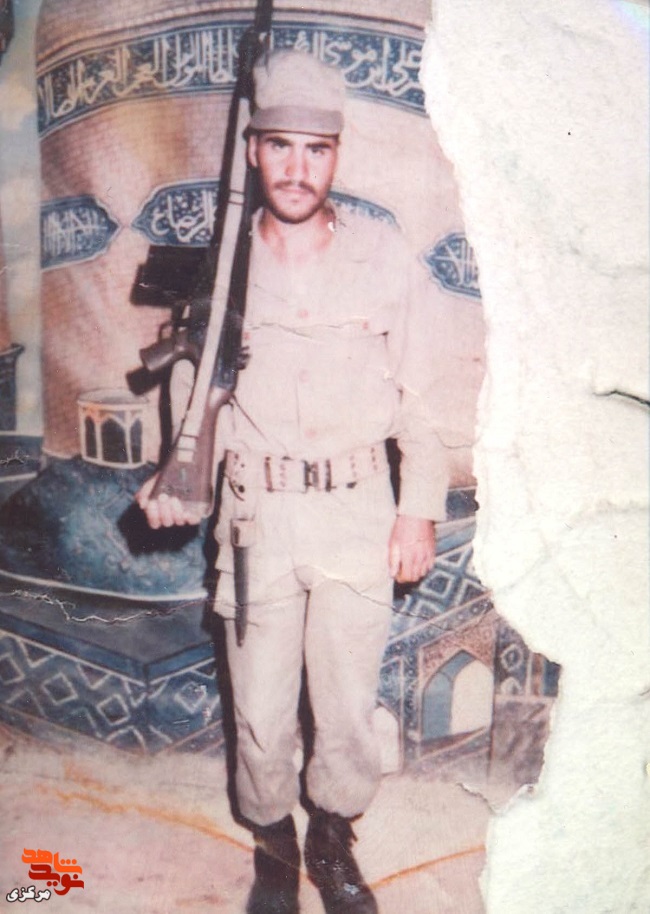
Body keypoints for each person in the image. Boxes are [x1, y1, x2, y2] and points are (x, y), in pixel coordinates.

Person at [138, 50, 449, 914]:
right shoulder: (222, 269)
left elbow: (425, 398)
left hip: (357, 509)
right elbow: (194, 402)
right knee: (260, 709)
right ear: (253, 150)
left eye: (316, 150)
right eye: (280, 146)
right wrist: (177, 479)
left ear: (336, 155)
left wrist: (419, 509)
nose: (297, 169)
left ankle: (332, 833)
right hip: (258, 521)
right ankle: (273, 841)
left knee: (345, 707)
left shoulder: (383, 257)